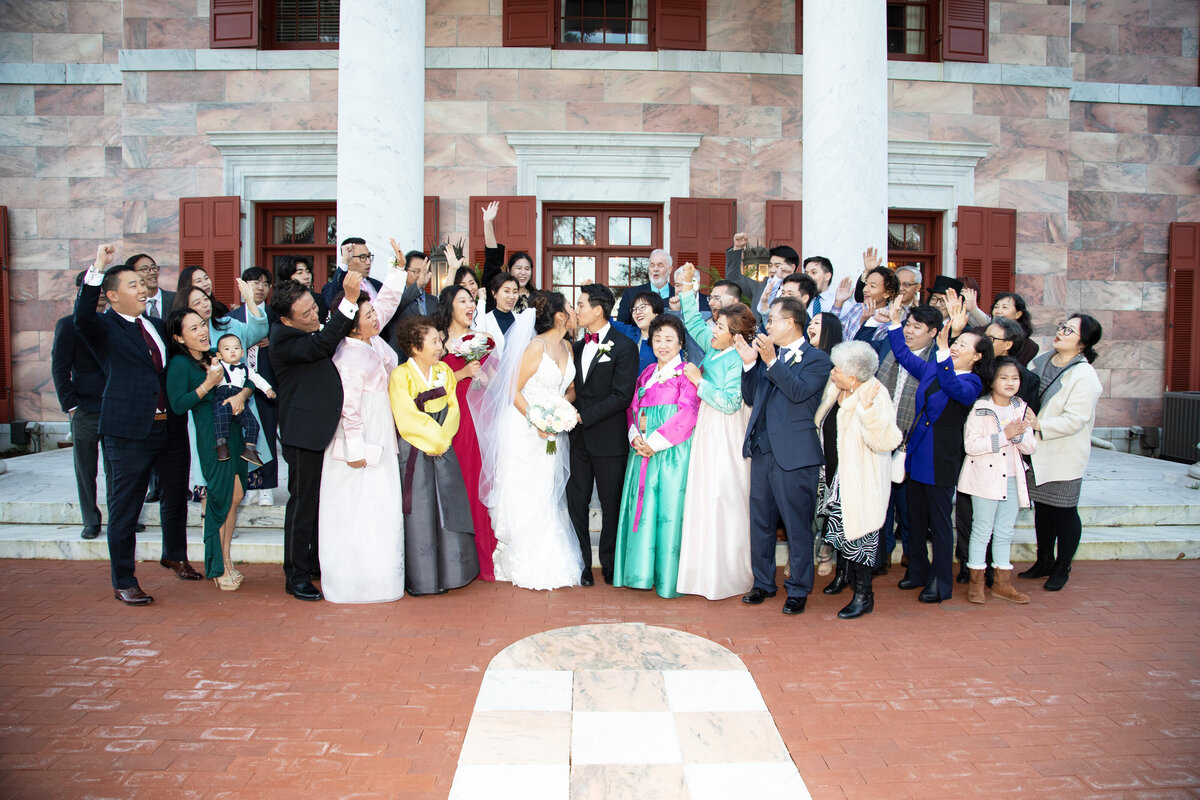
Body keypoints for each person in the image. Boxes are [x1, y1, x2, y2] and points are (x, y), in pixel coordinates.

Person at [74, 244, 201, 606]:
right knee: (125, 507)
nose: (143, 289)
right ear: (112, 296)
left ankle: (174, 554)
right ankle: (124, 579)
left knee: (175, 496)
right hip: (128, 432)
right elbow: (82, 315)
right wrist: (97, 267)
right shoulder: (102, 328)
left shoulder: (157, 325)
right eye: (133, 285)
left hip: (170, 427)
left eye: (142, 284)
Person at [469, 293, 584, 591]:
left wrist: (561, 409)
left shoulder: (567, 346)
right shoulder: (535, 347)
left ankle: (545, 554)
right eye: (571, 307)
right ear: (560, 316)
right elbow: (511, 389)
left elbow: (569, 389)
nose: (574, 311)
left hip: (551, 428)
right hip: (523, 428)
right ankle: (518, 555)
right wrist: (538, 419)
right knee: (524, 489)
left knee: (546, 490)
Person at [887, 291, 991, 603]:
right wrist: (895, 325)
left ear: (976, 357)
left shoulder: (971, 383)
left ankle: (941, 581)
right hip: (917, 452)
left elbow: (952, 388)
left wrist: (944, 352)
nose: (955, 348)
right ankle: (917, 570)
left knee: (939, 523)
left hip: (941, 459)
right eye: (955, 343)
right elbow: (905, 357)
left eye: (962, 346)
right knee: (915, 519)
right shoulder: (934, 366)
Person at [320, 260, 409, 603]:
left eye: (372, 313)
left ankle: (382, 577)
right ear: (353, 326)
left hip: (381, 431)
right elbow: (348, 409)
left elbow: (385, 304)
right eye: (368, 315)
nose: (376, 318)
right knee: (358, 507)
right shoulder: (347, 357)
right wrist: (356, 450)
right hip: (361, 441)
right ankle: (354, 581)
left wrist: (399, 271)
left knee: (382, 506)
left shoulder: (371, 343)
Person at [270, 272, 362, 602]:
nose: (315, 316)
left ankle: (311, 562)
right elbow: (323, 344)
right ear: (285, 319)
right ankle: (294, 576)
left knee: (319, 503)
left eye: (314, 307)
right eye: (306, 314)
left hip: (320, 429)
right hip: (302, 432)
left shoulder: (304, 326)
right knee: (302, 505)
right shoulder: (283, 337)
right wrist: (349, 301)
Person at [737, 296, 832, 615]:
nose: (767, 326)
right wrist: (751, 364)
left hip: (795, 454)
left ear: (791, 323)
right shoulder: (767, 357)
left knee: (797, 525)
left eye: (772, 320)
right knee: (760, 522)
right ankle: (763, 583)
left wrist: (771, 362)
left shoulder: (817, 360)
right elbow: (751, 397)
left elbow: (799, 393)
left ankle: (799, 589)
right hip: (763, 451)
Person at [674, 262, 756, 600]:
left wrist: (699, 382)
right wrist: (689, 287)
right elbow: (692, 321)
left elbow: (731, 401)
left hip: (726, 434)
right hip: (709, 431)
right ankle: (702, 570)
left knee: (723, 497)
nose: (712, 329)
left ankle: (726, 573)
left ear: (735, 333)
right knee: (705, 496)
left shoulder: (736, 358)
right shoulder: (716, 348)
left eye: (719, 325)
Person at [813, 341, 902, 619]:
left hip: (861, 478)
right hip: (835, 475)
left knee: (860, 536)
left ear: (853, 376)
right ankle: (843, 575)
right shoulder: (838, 388)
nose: (832, 372)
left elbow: (886, 440)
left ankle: (864, 595)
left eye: (837, 369)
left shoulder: (874, 394)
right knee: (839, 529)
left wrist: (867, 411)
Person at [390, 316, 479, 596]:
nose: (440, 346)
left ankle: (454, 573)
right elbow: (405, 415)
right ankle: (423, 579)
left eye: (440, 341)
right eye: (434, 342)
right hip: (415, 447)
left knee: (449, 506)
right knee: (420, 510)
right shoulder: (400, 375)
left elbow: (453, 407)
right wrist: (436, 438)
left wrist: (443, 438)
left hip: (442, 445)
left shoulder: (444, 372)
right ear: (415, 348)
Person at [613, 315, 700, 598]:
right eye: (658, 338)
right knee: (642, 507)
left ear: (681, 343)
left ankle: (667, 578)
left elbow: (689, 413)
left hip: (671, 452)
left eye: (669, 339)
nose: (662, 345)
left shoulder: (688, 373)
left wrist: (656, 442)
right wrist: (635, 435)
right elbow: (632, 406)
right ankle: (639, 573)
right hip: (641, 450)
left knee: (667, 511)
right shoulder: (647, 372)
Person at [166, 309, 251, 591]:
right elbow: (178, 405)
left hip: (236, 434)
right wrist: (207, 385)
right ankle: (218, 565)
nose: (202, 331)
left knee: (236, 495)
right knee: (220, 502)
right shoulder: (180, 364)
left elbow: (249, 378)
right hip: (213, 440)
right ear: (179, 337)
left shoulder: (217, 353)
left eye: (202, 325)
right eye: (192, 329)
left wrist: (241, 394)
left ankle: (226, 558)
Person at [1021, 314, 1104, 592]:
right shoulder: (1041, 360)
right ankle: (1044, 560)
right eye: (1062, 327)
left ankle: (1062, 566)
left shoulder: (1084, 374)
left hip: (1063, 453)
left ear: (1082, 343)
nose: (1061, 332)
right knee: (1043, 509)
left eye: (1069, 330)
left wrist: (1038, 424)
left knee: (1065, 511)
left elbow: (1076, 418)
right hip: (1036, 450)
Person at [175, 281, 273, 503]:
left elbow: (259, 331)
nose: (204, 305)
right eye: (196, 303)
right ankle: (214, 528)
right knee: (212, 471)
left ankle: (226, 525)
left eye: (205, 299)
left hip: (239, 409)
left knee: (238, 470)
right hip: (206, 414)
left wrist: (250, 300)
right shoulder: (184, 344)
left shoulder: (228, 323)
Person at [568, 284, 640, 586]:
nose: (577, 310)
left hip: (609, 441)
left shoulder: (624, 346)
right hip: (577, 440)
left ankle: (610, 564)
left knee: (611, 505)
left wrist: (585, 416)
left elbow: (622, 395)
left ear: (598, 310)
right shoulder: (576, 346)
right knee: (577, 502)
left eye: (581, 305)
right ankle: (582, 563)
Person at [959, 356, 1038, 604]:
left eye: (1014, 378)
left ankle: (1003, 583)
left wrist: (1019, 436)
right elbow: (971, 445)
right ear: (992, 381)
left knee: (1005, 531)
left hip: (1013, 478)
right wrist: (1006, 435)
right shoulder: (980, 408)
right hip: (985, 478)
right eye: (1004, 377)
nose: (1010, 382)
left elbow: (1030, 447)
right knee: (982, 530)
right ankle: (976, 583)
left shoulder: (1021, 407)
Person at [435, 283, 498, 582]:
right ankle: (453, 558)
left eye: (472, 300)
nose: (471, 305)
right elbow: (426, 385)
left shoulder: (482, 340)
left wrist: (486, 379)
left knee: (476, 480)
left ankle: (481, 556)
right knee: (451, 485)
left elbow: (499, 382)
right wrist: (461, 373)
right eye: (463, 300)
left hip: (477, 422)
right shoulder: (436, 342)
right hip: (448, 419)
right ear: (449, 306)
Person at [875, 306, 940, 575]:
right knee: (883, 503)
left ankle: (915, 560)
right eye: (908, 325)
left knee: (911, 507)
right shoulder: (891, 351)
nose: (909, 331)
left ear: (934, 333)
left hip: (915, 441)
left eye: (917, 327)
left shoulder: (937, 360)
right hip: (884, 435)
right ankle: (882, 556)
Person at [53, 271, 110, 540]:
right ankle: (91, 520)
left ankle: (123, 517)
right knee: (85, 468)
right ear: (81, 291)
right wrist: (71, 405)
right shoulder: (68, 325)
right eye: (92, 289)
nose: (99, 294)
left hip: (114, 406)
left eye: (102, 289)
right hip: (84, 408)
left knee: (118, 468)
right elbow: (60, 368)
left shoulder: (114, 323)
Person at [228, 266, 279, 506]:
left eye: (264, 283)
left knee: (267, 433)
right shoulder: (232, 318)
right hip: (239, 386)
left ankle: (267, 486)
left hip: (267, 385)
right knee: (245, 436)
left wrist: (273, 341)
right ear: (244, 286)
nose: (260, 287)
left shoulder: (275, 315)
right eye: (254, 283)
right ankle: (251, 485)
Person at [805, 312, 844, 581]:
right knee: (805, 498)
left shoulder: (839, 364)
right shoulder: (799, 356)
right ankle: (804, 551)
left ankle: (827, 548)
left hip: (829, 436)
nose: (811, 326)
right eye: (810, 322)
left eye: (817, 323)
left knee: (828, 493)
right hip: (801, 435)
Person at [209, 333, 271, 465]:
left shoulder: (246, 369)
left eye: (236, 348)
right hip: (223, 396)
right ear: (219, 354)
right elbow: (213, 375)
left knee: (253, 423)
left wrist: (268, 389)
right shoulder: (220, 366)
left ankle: (250, 449)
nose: (232, 351)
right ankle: (221, 445)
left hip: (241, 399)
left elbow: (257, 379)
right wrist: (214, 364)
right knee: (221, 416)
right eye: (227, 349)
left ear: (242, 352)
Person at [615, 248, 709, 324]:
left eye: (660, 265)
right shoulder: (631, 294)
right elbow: (622, 326)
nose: (655, 269)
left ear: (670, 269)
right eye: (652, 265)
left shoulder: (678, 295)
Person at [479, 201, 536, 313]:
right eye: (518, 268)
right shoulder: (498, 292)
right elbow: (492, 259)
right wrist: (488, 223)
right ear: (509, 270)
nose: (523, 273)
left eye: (527, 269)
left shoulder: (537, 298)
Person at [477, 271, 521, 357]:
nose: (512, 296)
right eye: (506, 291)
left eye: (515, 292)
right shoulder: (485, 320)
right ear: (494, 293)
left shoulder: (521, 320)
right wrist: (482, 300)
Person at [990, 292, 1039, 366]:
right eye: (996, 307)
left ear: (1018, 314)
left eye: (1004, 307)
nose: (998, 311)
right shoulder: (980, 332)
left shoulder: (1030, 347)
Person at [277, 256, 328, 323]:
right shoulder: (279, 302)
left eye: (308, 271)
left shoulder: (318, 299)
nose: (306, 277)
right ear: (286, 279)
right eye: (300, 273)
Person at [127, 253, 174, 320]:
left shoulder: (176, 299)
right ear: (132, 274)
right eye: (145, 269)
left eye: (154, 268)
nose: (152, 272)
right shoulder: (129, 305)